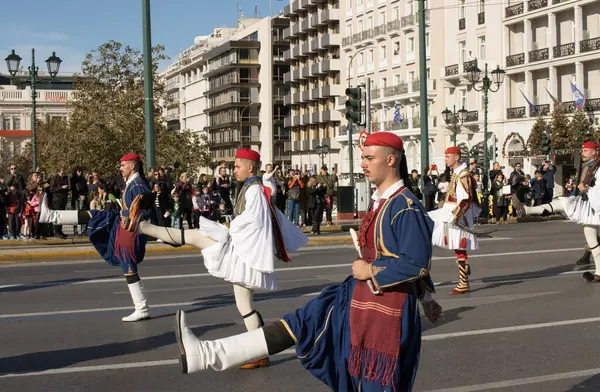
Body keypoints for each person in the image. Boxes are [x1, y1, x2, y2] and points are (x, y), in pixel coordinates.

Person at [173, 132, 442, 391]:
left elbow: (415, 262)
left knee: (374, 381)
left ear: (391, 159)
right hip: (361, 299)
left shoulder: (405, 206)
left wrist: (371, 269)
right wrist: (426, 298)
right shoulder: (382, 201)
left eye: (369, 158)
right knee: (300, 323)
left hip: (385, 311)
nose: (362, 163)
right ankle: (206, 354)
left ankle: (206, 354)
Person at [129, 148, 308, 369]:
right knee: (244, 305)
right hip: (243, 249)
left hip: (243, 253)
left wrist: (231, 227)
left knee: (196, 236)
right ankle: (261, 352)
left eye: (237, 166)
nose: (234, 170)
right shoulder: (254, 187)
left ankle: (143, 227)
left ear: (249, 167)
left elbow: (256, 221)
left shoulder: (254, 190)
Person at [38, 153, 153, 322]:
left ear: (132, 166)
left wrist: (127, 213)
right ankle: (51, 216)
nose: (120, 169)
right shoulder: (132, 182)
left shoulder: (137, 184)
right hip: (124, 225)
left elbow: (144, 208)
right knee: (94, 215)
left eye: (123, 165)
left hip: (130, 230)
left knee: (128, 267)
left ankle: (141, 308)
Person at [513, 141, 600, 282]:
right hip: (588, 204)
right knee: (591, 239)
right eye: (582, 150)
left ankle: (527, 209)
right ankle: (599, 272)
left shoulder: (598, 168)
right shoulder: (590, 166)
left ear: (594, 152)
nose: (582, 153)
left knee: (563, 205)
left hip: (595, 205)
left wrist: (587, 189)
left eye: (585, 150)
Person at [429, 146, 481, 295]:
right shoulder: (457, 174)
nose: (445, 159)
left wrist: (455, 217)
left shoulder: (463, 175)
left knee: (459, 248)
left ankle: (463, 282)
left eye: (447, 156)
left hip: (456, 215)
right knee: (457, 247)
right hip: (450, 212)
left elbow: (465, 200)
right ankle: (463, 279)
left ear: (456, 157)